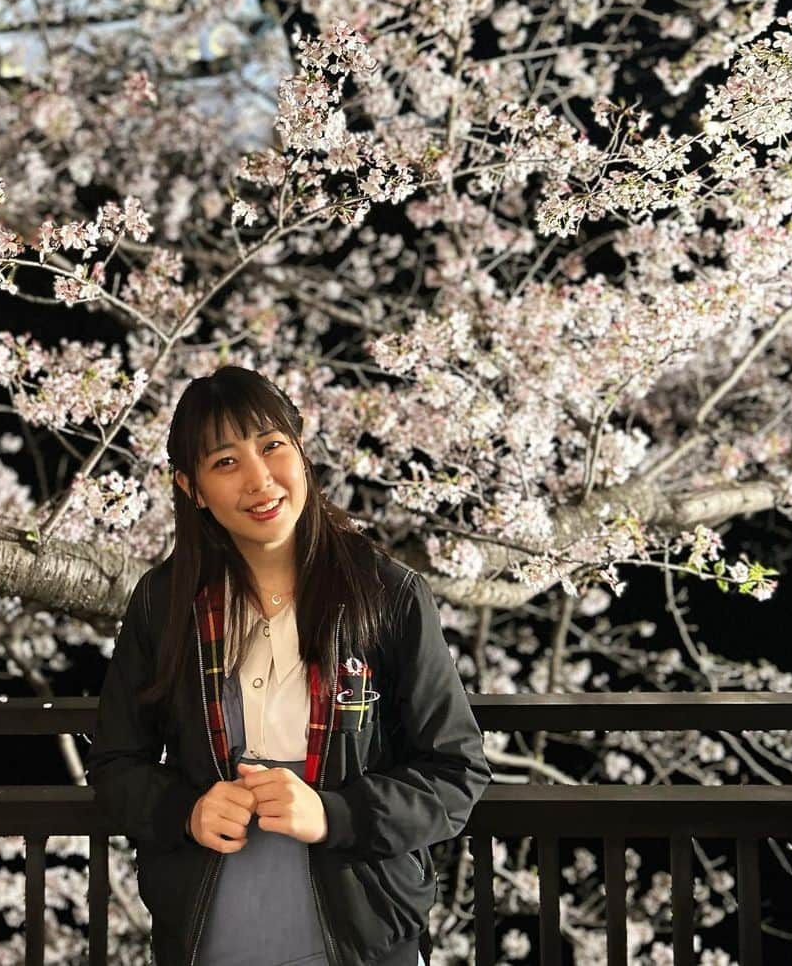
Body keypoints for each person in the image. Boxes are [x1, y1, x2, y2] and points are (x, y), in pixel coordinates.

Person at [86, 365, 491, 966]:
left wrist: (335, 814)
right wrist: (186, 811)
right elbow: (116, 762)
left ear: (301, 453)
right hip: (208, 937)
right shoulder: (164, 602)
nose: (259, 479)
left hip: (365, 936)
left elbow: (456, 772)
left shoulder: (387, 594)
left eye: (273, 447)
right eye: (225, 462)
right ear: (191, 488)